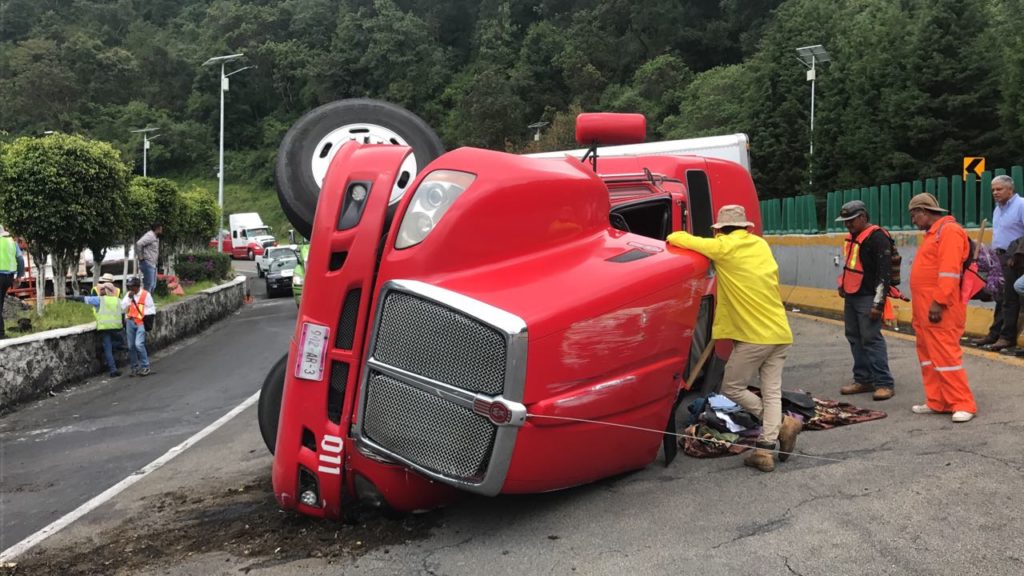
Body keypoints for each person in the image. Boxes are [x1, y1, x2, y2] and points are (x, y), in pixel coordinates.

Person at [667, 205, 802, 472]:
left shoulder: (725, 247)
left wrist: (672, 237)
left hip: (755, 336)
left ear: (720, 231)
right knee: (771, 391)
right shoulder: (760, 246)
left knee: (732, 388)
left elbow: (679, 238)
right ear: (746, 228)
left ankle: (784, 425)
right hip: (779, 331)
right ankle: (765, 451)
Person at [906, 193, 976, 423]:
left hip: (940, 307)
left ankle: (963, 403)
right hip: (925, 307)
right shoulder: (934, 233)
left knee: (946, 356)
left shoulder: (949, 231)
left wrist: (939, 301)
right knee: (928, 356)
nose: (913, 220)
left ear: (924, 211)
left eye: (914, 214)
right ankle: (938, 401)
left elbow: (949, 271)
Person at [834, 200, 896, 401]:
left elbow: (883, 274)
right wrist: (843, 285)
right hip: (853, 295)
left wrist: (878, 303)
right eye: (845, 221)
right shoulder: (853, 237)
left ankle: (884, 383)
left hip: (868, 296)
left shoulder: (878, 238)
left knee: (871, 338)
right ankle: (863, 379)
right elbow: (850, 265)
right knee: (853, 336)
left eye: (851, 221)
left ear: (862, 217)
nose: (847, 225)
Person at [971, 175, 1024, 351]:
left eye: (999, 189)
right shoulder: (997, 209)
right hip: (999, 257)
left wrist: (1016, 255)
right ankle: (995, 334)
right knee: (999, 297)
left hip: (1014, 258)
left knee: (1009, 298)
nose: (995, 192)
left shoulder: (1021, 205)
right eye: (993, 189)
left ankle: (1007, 336)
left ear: (1011, 189)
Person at [69, 283, 125, 377]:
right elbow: (123, 313)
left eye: (102, 289)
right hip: (116, 327)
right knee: (120, 343)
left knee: (108, 348)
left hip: (104, 327)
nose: (100, 291)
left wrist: (70, 297)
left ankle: (113, 369)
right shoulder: (118, 300)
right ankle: (112, 363)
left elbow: (83, 299)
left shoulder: (99, 300)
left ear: (105, 291)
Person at [122, 276, 156, 376]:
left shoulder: (146, 295)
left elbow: (151, 309)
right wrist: (129, 299)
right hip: (130, 322)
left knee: (139, 344)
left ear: (137, 286)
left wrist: (142, 317)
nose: (130, 289)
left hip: (140, 322)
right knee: (131, 346)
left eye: (132, 287)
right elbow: (122, 306)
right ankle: (134, 367)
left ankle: (145, 366)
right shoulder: (128, 295)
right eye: (129, 287)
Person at [0, 225, 26, 340]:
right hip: (8, 278)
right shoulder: (12, 242)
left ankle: (1, 334)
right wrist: (19, 277)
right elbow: (20, 259)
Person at [136, 223, 163, 293]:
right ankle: (145, 302)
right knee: (149, 284)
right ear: (157, 229)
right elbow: (139, 243)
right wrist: (140, 257)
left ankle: (149, 301)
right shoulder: (150, 236)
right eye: (161, 229)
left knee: (153, 285)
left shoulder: (155, 237)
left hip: (152, 264)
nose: (162, 230)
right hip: (147, 263)